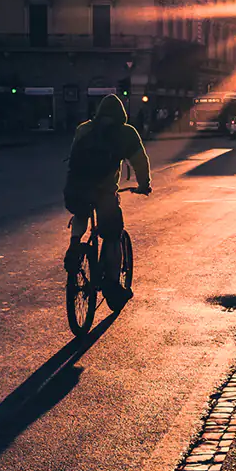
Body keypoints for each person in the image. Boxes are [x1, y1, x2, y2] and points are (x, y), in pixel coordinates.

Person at [64, 93, 153, 309]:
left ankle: (75, 244)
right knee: (113, 235)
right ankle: (112, 284)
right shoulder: (126, 133)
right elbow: (140, 162)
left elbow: (73, 159)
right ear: (121, 114)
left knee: (81, 213)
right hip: (103, 193)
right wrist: (144, 184)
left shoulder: (84, 129)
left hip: (76, 188)